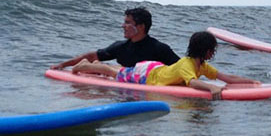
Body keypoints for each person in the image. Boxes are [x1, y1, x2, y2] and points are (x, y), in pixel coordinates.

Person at [70, 30, 258, 99]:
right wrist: (211, 88)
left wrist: (253, 82)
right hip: (149, 76)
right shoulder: (188, 65)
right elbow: (192, 83)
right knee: (114, 72)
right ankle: (83, 66)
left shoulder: (201, 65)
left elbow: (226, 78)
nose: (213, 53)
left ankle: (89, 65)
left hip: (155, 69)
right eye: (213, 49)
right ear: (206, 51)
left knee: (121, 70)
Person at [50, 7, 179, 70]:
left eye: (128, 23)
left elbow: (181, 68)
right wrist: (62, 65)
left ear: (140, 27)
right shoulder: (121, 47)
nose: (123, 26)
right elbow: (91, 56)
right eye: (124, 22)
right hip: (123, 91)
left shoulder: (159, 49)